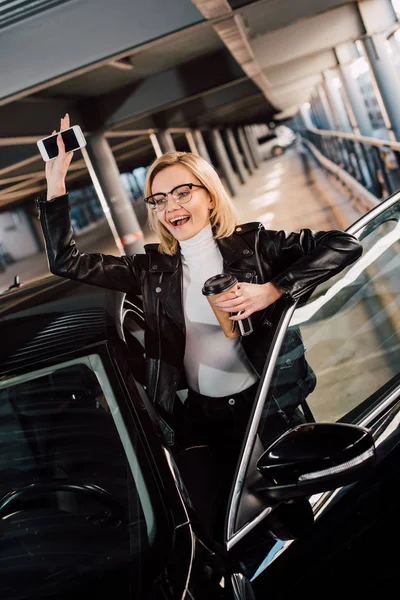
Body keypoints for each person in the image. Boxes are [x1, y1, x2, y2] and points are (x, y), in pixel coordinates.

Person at [37, 114, 362, 534]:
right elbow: (67, 262)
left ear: (209, 196)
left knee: (297, 518)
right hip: (201, 420)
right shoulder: (151, 270)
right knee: (222, 530)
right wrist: (56, 180)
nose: (171, 206)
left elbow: (344, 244)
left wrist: (273, 289)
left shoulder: (256, 246)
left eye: (182, 192)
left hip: (266, 407)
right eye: (158, 199)